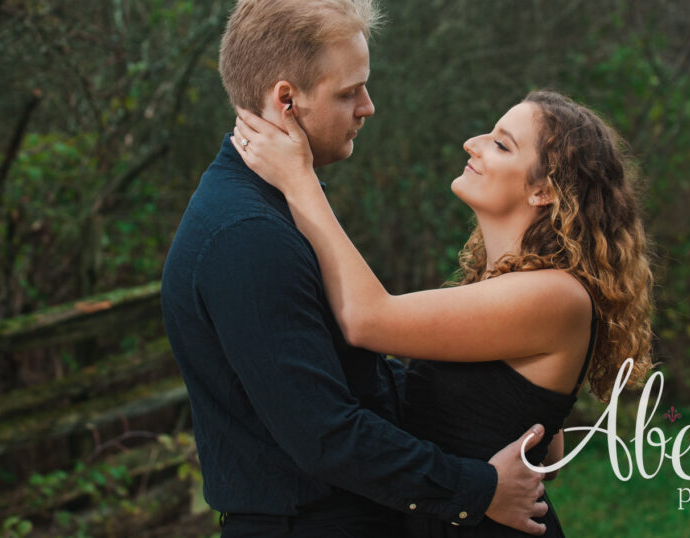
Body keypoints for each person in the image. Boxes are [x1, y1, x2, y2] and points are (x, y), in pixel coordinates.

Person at [161, 0, 549, 537]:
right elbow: (324, 434)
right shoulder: (246, 235)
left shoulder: (279, 203)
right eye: (350, 92)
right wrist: (477, 489)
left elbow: (355, 375)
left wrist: (502, 407)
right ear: (287, 100)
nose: (368, 107)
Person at [232, 89, 655, 536]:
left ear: (542, 191)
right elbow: (543, 446)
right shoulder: (512, 288)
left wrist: (298, 178)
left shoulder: (555, 294)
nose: (472, 143)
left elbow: (366, 319)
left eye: (500, 143)